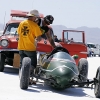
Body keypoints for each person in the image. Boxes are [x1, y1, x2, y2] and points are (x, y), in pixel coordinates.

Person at [17, 10, 42, 82]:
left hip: (21, 47)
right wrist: (38, 38)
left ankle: (22, 78)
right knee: (33, 64)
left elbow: (19, 33)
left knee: (22, 64)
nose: (36, 19)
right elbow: (39, 38)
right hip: (30, 48)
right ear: (33, 17)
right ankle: (27, 78)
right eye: (36, 17)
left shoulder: (22, 23)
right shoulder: (35, 25)